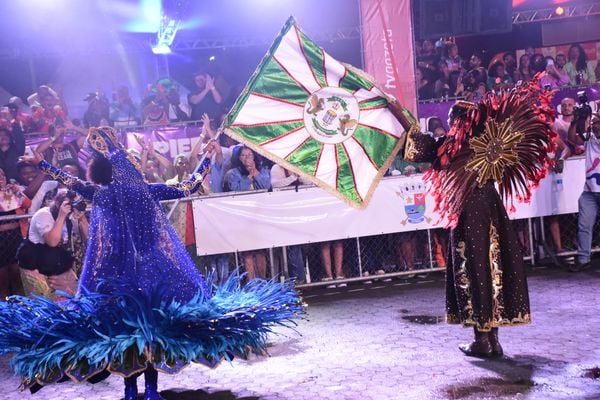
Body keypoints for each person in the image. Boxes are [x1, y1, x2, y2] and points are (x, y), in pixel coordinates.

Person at [0, 127, 302, 399]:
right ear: (123, 168)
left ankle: (132, 390)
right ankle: (150, 390)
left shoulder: (102, 194)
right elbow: (189, 186)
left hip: (114, 273)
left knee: (125, 329)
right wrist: (207, 161)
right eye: (129, 162)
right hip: (152, 269)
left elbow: (69, 180)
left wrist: (42, 164)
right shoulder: (144, 191)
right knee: (153, 327)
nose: (133, 165)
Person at [391, 80, 555, 358]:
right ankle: (492, 340)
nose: (450, 124)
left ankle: (482, 340)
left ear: (459, 123)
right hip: (492, 209)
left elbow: (412, 145)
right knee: (493, 267)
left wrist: (396, 111)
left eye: (452, 120)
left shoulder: (450, 147)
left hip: (468, 212)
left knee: (475, 269)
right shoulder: (489, 146)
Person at [568, 112, 600, 270]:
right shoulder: (589, 139)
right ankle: (583, 259)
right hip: (589, 192)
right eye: (593, 122)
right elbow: (572, 139)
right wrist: (575, 121)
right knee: (584, 225)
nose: (595, 125)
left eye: (597, 122)